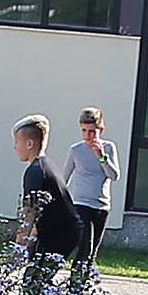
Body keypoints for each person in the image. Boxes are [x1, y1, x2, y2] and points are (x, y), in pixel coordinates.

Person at [12, 116, 82, 260]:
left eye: (17, 142)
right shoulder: (47, 165)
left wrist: (21, 241)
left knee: (35, 278)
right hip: (62, 231)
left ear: (29, 143)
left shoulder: (35, 171)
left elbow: (30, 210)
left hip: (59, 233)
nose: (15, 147)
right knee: (35, 276)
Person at [60, 109, 119, 270]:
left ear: (101, 130)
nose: (88, 136)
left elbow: (114, 175)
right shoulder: (76, 150)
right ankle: (75, 287)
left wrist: (101, 156)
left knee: (92, 252)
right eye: (84, 131)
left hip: (101, 206)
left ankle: (84, 284)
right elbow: (64, 178)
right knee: (85, 247)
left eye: (92, 131)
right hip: (81, 203)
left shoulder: (108, 148)